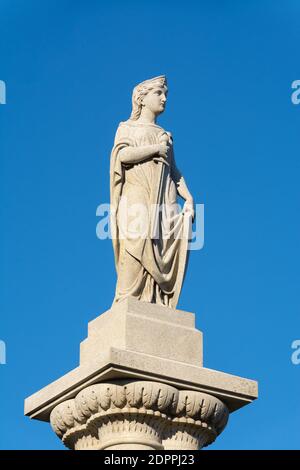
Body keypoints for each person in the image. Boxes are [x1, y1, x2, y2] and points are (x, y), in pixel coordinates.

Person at [110, 75, 194, 308]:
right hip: (137, 195)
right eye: (159, 93)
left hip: (164, 200)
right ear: (141, 98)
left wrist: (188, 197)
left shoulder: (164, 134)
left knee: (160, 245)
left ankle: (155, 300)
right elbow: (122, 156)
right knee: (135, 243)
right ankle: (127, 299)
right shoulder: (126, 128)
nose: (164, 98)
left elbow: (174, 172)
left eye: (165, 94)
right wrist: (155, 149)